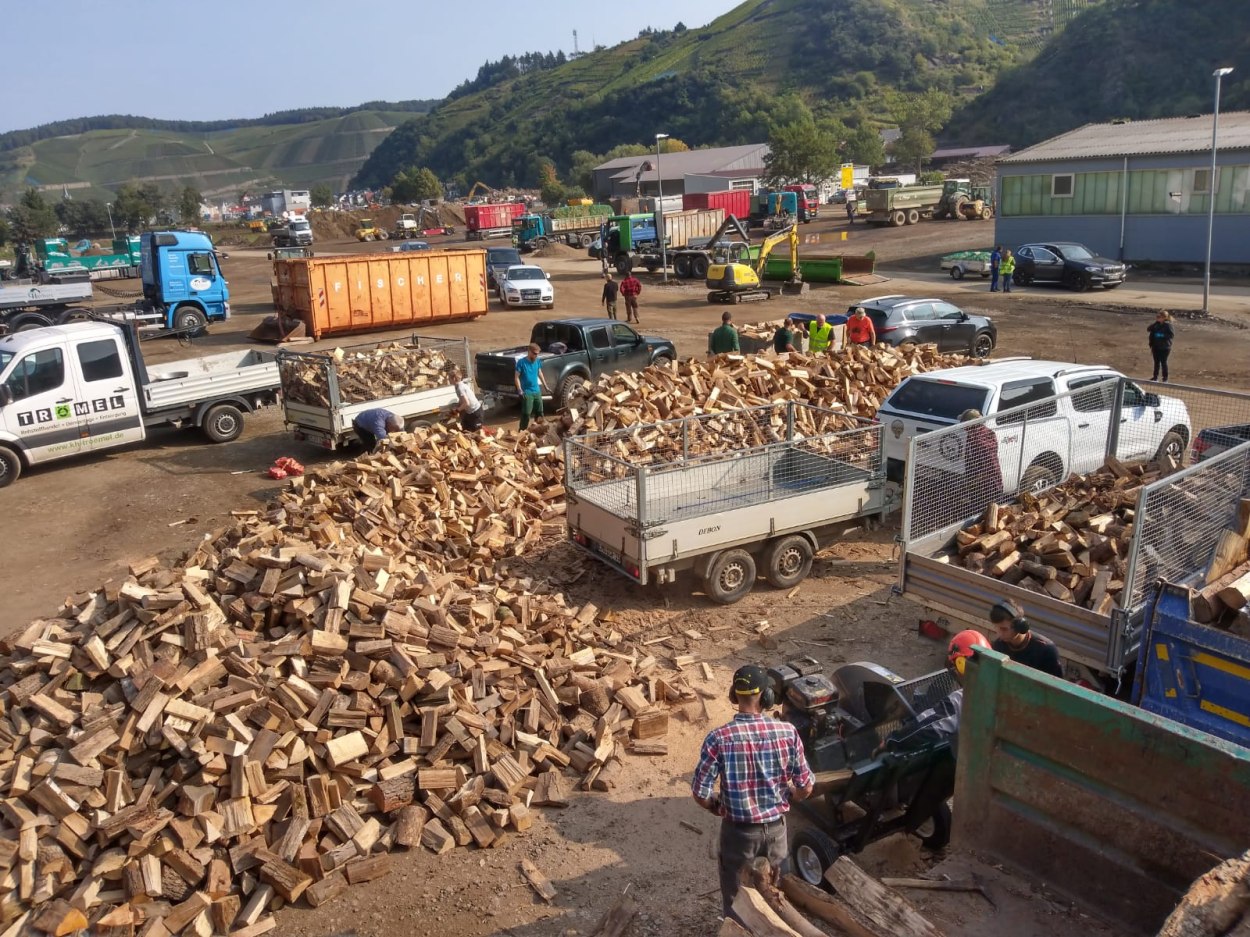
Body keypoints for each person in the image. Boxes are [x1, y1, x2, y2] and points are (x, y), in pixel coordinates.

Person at [692, 665, 814, 922]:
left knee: (738, 900)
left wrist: (717, 805)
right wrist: (791, 795)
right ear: (767, 697)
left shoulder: (718, 738)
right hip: (776, 831)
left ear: (734, 696)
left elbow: (701, 794)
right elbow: (805, 787)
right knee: (778, 894)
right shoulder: (788, 732)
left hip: (738, 833)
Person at [886, 629, 990, 759]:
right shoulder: (1008, 690)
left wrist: (892, 741)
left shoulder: (961, 700)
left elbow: (926, 727)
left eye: (961, 665)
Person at [988, 600, 1064, 678]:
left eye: (1004, 629)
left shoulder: (1045, 650)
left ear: (1020, 626)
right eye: (996, 628)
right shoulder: (999, 645)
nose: (999, 634)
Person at [960, 408, 1003, 508]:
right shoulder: (974, 435)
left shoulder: (980, 439)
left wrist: (970, 483)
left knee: (987, 513)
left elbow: (989, 468)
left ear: (971, 424)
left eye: (964, 424)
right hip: (977, 482)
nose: (963, 427)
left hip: (988, 486)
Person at [515, 343, 549, 430]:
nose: (536, 355)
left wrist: (545, 386)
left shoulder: (537, 361)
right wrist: (519, 389)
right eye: (534, 353)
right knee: (526, 413)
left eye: (537, 354)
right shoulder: (521, 363)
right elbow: (516, 377)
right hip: (527, 391)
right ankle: (522, 431)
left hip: (536, 390)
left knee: (540, 413)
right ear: (529, 351)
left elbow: (540, 373)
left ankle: (539, 430)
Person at [447, 366, 483, 432]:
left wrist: (457, 410)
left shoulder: (461, 388)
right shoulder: (457, 386)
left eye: (449, 378)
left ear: (454, 378)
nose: (448, 380)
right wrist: (457, 407)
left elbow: (466, 403)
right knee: (465, 430)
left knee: (476, 432)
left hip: (476, 412)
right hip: (469, 412)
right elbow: (462, 400)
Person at [1147, 311, 1174, 382]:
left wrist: (1161, 335)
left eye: (1159, 317)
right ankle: (1155, 377)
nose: (1157, 318)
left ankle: (1165, 378)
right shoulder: (1156, 325)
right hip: (1156, 347)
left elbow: (1171, 335)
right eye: (1157, 317)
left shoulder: (1168, 325)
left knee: (1163, 362)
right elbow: (1148, 329)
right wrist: (1156, 323)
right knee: (1156, 362)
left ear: (1164, 318)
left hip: (1164, 347)